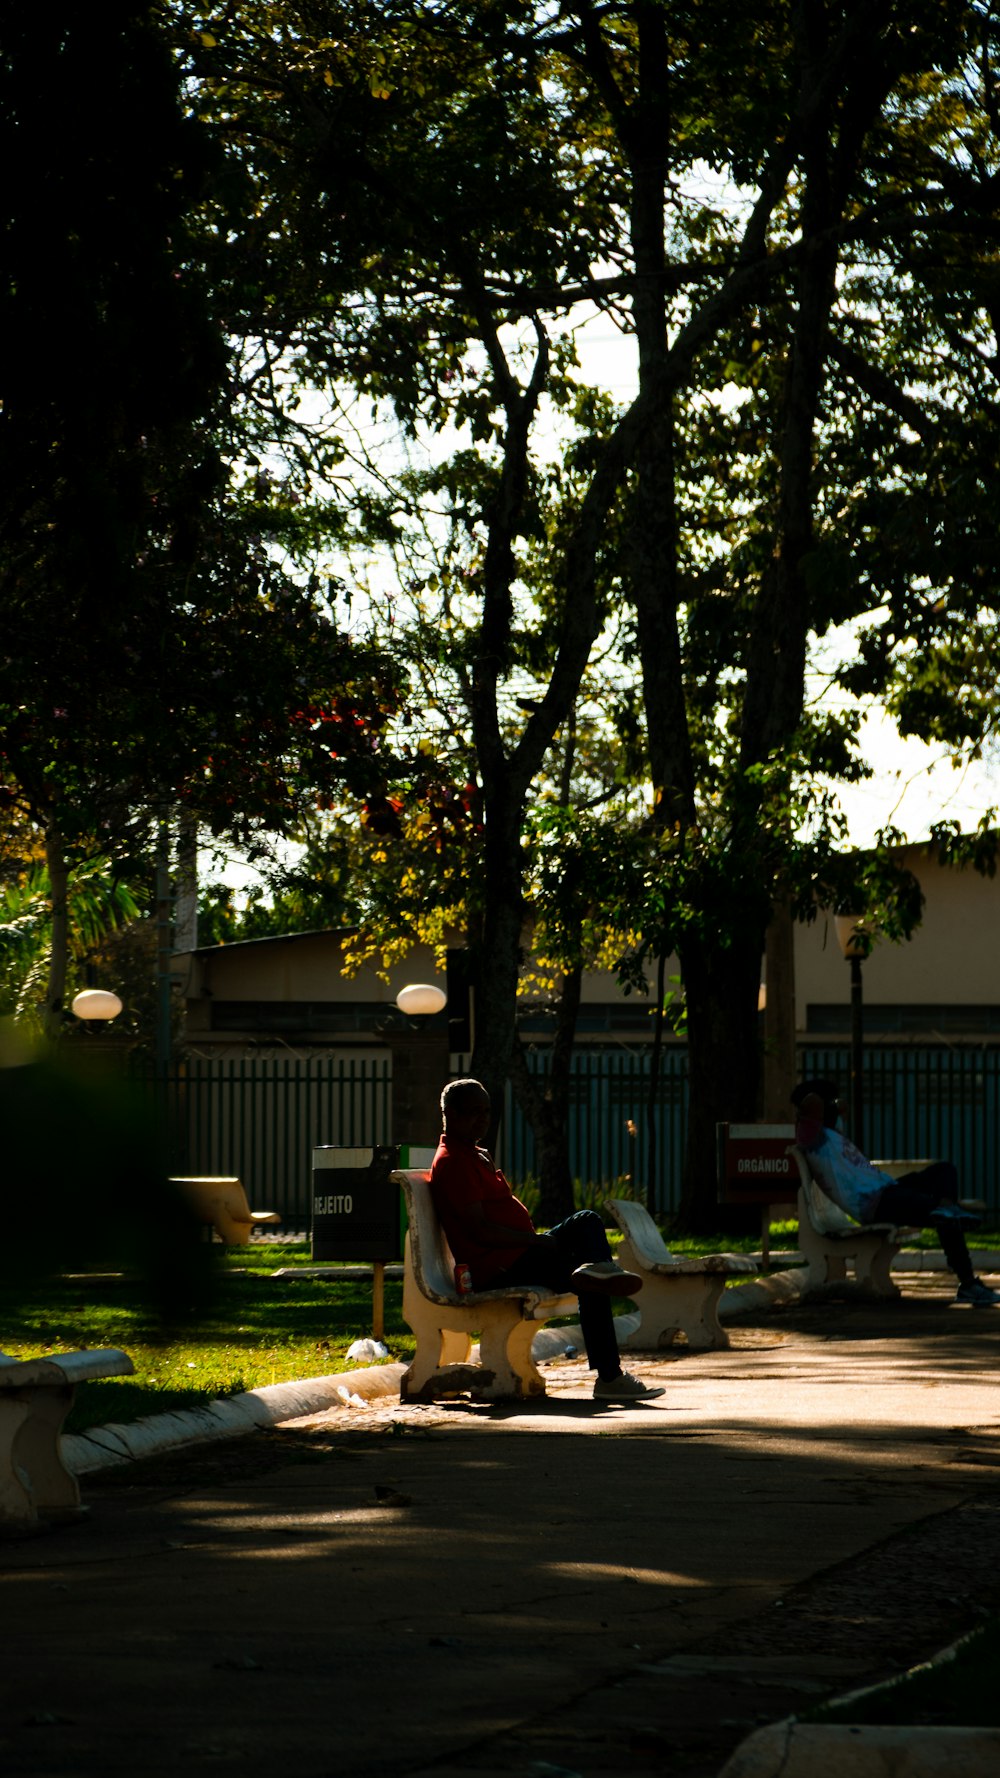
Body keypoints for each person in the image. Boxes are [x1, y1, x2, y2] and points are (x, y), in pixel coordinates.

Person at [429, 1077, 665, 1401]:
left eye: (487, 1111)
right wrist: (536, 1242)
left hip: (519, 1253)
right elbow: (479, 1231)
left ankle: (600, 1272)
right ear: (450, 1114)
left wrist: (533, 1241)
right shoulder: (454, 1161)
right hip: (499, 1266)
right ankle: (609, 1375)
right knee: (589, 1279)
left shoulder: (473, 1153)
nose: (483, 1119)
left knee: (587, 1223)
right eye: (474, 1112)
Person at [791, 1077, 999, 1306]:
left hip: (888, 1190)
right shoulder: (809, 1134)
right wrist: (826, 1096)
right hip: (875, 1204)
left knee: (944, 1171)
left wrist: (833, 1102)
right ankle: (968, 1282)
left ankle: (948, 1207)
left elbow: (837, 1108)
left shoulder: (830, 1134)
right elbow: (812, 1102)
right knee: (945, 1217)